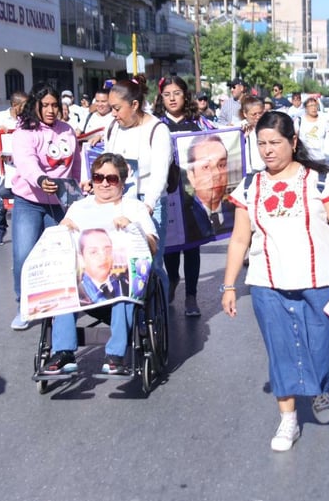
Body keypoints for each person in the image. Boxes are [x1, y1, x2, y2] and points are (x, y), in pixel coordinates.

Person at [221, 111, 329, 452]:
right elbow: (240, 239)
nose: (268, 150)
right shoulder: (250, 186)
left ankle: (320, 390)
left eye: (275, 143)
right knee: (279, 350)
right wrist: (228, 285)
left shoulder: (321, 181)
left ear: (293, 142)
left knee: (321, 346)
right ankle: (288, 420)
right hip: (267, 282)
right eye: (262, 143)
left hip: (318, 281)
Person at [43, 153, 158, 376]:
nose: (104, 183)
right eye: (98, 177)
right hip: (85, 278)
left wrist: (135, 228)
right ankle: (63, 352)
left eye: (112, 179)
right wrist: (62, 229)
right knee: (65, 279)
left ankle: (115, 355)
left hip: (120, 277)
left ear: (122, 183)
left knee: (123, 281)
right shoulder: (78, 207)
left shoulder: (134, 208)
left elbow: (152, 246)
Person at [10, 83, 82, 330]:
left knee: (58, 258)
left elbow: (75, 165)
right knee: (24, 255)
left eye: (54, 105)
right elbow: (26, 162)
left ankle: (57, 304)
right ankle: (24, 305)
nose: (51, 110)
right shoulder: (23, 132)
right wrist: (41, 179)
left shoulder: (68, 131)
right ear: (36, 106)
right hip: (28, 202)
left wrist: (77, 191)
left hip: (60, 203)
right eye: (45, 105)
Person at [101, 75, 171, 297]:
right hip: (119, 201)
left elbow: (160, 173)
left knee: (152, 263)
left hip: (148, 202)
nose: (113, 114)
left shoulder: (158, 130)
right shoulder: (113, 127)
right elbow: (107, 163)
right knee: (121, 262)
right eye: (111, 108)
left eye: (117, 108)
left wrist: (147, 207)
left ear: (134, 105)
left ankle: (158, 314)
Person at [154, 75, 215, 316]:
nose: (172, 98)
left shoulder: (200, 123)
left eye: (176, 93)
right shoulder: (156, 125)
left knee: (192, 247)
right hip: (167, 193)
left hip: (192, 196)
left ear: (185, 96)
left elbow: (226, 134)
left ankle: (191, 296)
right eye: (167, 94)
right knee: (169, 246)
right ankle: (172, 281)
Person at [0, 90, 28, 246]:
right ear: (15, 105)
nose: (26, 108)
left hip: (22, 166)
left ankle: (22, 233)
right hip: (4, 167)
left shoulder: (27, 119)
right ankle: (0, 231)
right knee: (1, 200)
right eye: (24, 105)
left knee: (22, 200)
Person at [76, 228, 129, 305]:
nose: (103, 256)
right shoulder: (78, 293)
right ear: (81, 258)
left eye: (107, 250)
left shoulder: (124, 284)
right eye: (93, 252)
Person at [297, 97, 329, 162]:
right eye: (311, 106)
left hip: (321, 158)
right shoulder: (299, 121)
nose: (314, 108)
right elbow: (294, 137)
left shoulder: (324, 119)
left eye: (315, 105)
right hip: (305, 158)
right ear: (306, 108)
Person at [239, 96, 265, 173]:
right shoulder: (240, 128)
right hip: (247, 172)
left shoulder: (266, 126)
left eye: (260, 113)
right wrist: (243, 138)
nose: (258, 117)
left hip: (264, 170)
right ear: (245, 113)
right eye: (254, 114)